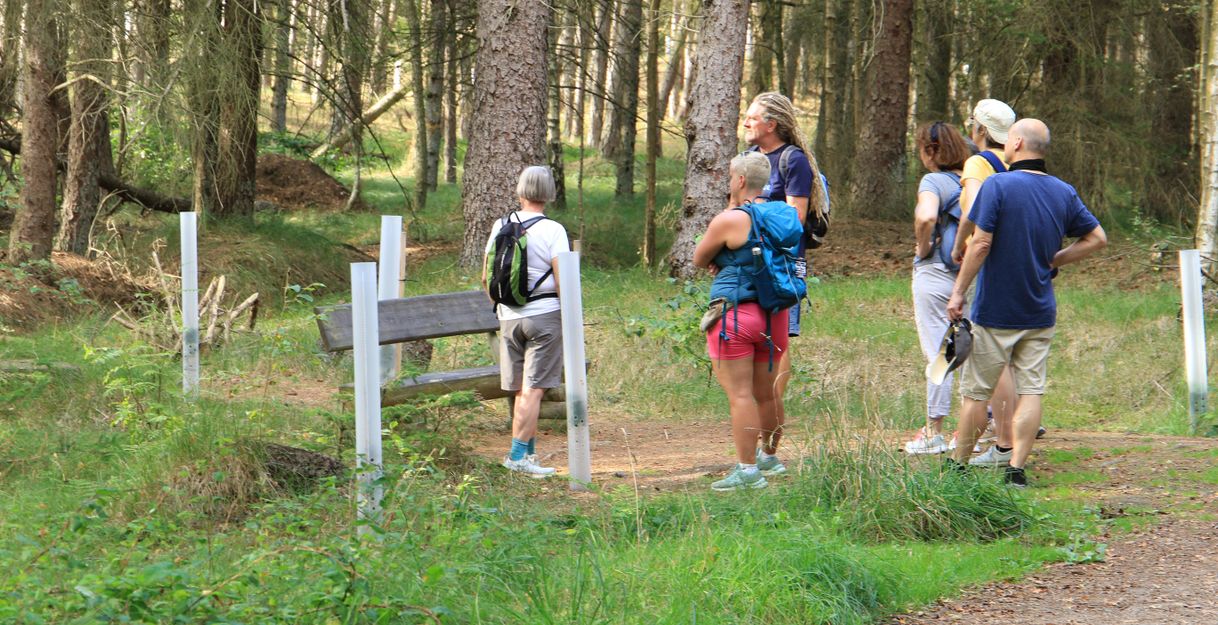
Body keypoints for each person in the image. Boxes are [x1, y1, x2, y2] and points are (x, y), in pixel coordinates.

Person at [946, 119, 1107, 485]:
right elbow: (1097, 238)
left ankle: (957, 467)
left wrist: (958, 292)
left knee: (975, 393)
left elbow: (982, 244)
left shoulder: (997, 185)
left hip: (996, 310)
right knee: (1031, 389)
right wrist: (1055, 259)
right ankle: (1017, 469)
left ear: (1016, 143)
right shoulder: (1063, 192)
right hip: (1039, 311)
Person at [693, 151, 793, 491]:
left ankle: (747, 472)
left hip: (735, 315)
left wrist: (721, 258)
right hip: (775, 315)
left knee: (740, 396)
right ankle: (769, 458)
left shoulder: (729, 220)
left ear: (739, 181)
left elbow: (698, 258)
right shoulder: (781, 213)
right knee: (766, 393)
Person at [741, 92, 828, 468]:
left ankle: (769, 445)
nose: (745, 123)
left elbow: (793, 221)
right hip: (751, 266)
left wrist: (753, 212)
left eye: (751, 118)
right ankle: (761, 425)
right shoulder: (752, 160)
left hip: (783, 268)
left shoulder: (792, 161)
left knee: (779, 345)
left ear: (771, 125)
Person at [483, 166, 570, 478]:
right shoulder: (554, 230)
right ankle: (517, 457)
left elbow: (486, 277)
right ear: (549, 194)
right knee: (533, 390)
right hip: (543, 317)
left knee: (523, 389)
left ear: (520, 192)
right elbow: (564, 281)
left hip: (508, 317)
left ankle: (528, 456)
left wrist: (505, 309)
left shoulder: (500, 226)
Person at [950, 98, 1020, 466]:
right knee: (1007, 353)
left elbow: (975, 205)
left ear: (978, 130)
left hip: (989, 258)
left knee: (993, 355)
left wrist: (963, 241)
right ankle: (1010, 438)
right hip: (1018, 259)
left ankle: (1005, 441)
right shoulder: (1015, 161)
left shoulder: (978, 162)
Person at [904, 122, 971, 454]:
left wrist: (922, 247)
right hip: (971, 275)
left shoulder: (934, 181)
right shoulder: (976, 181)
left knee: (941, 354)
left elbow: (927, 217)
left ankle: (934, 432)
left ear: (930, 151)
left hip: (936, 274)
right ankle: (977, 428)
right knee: (974, 353)